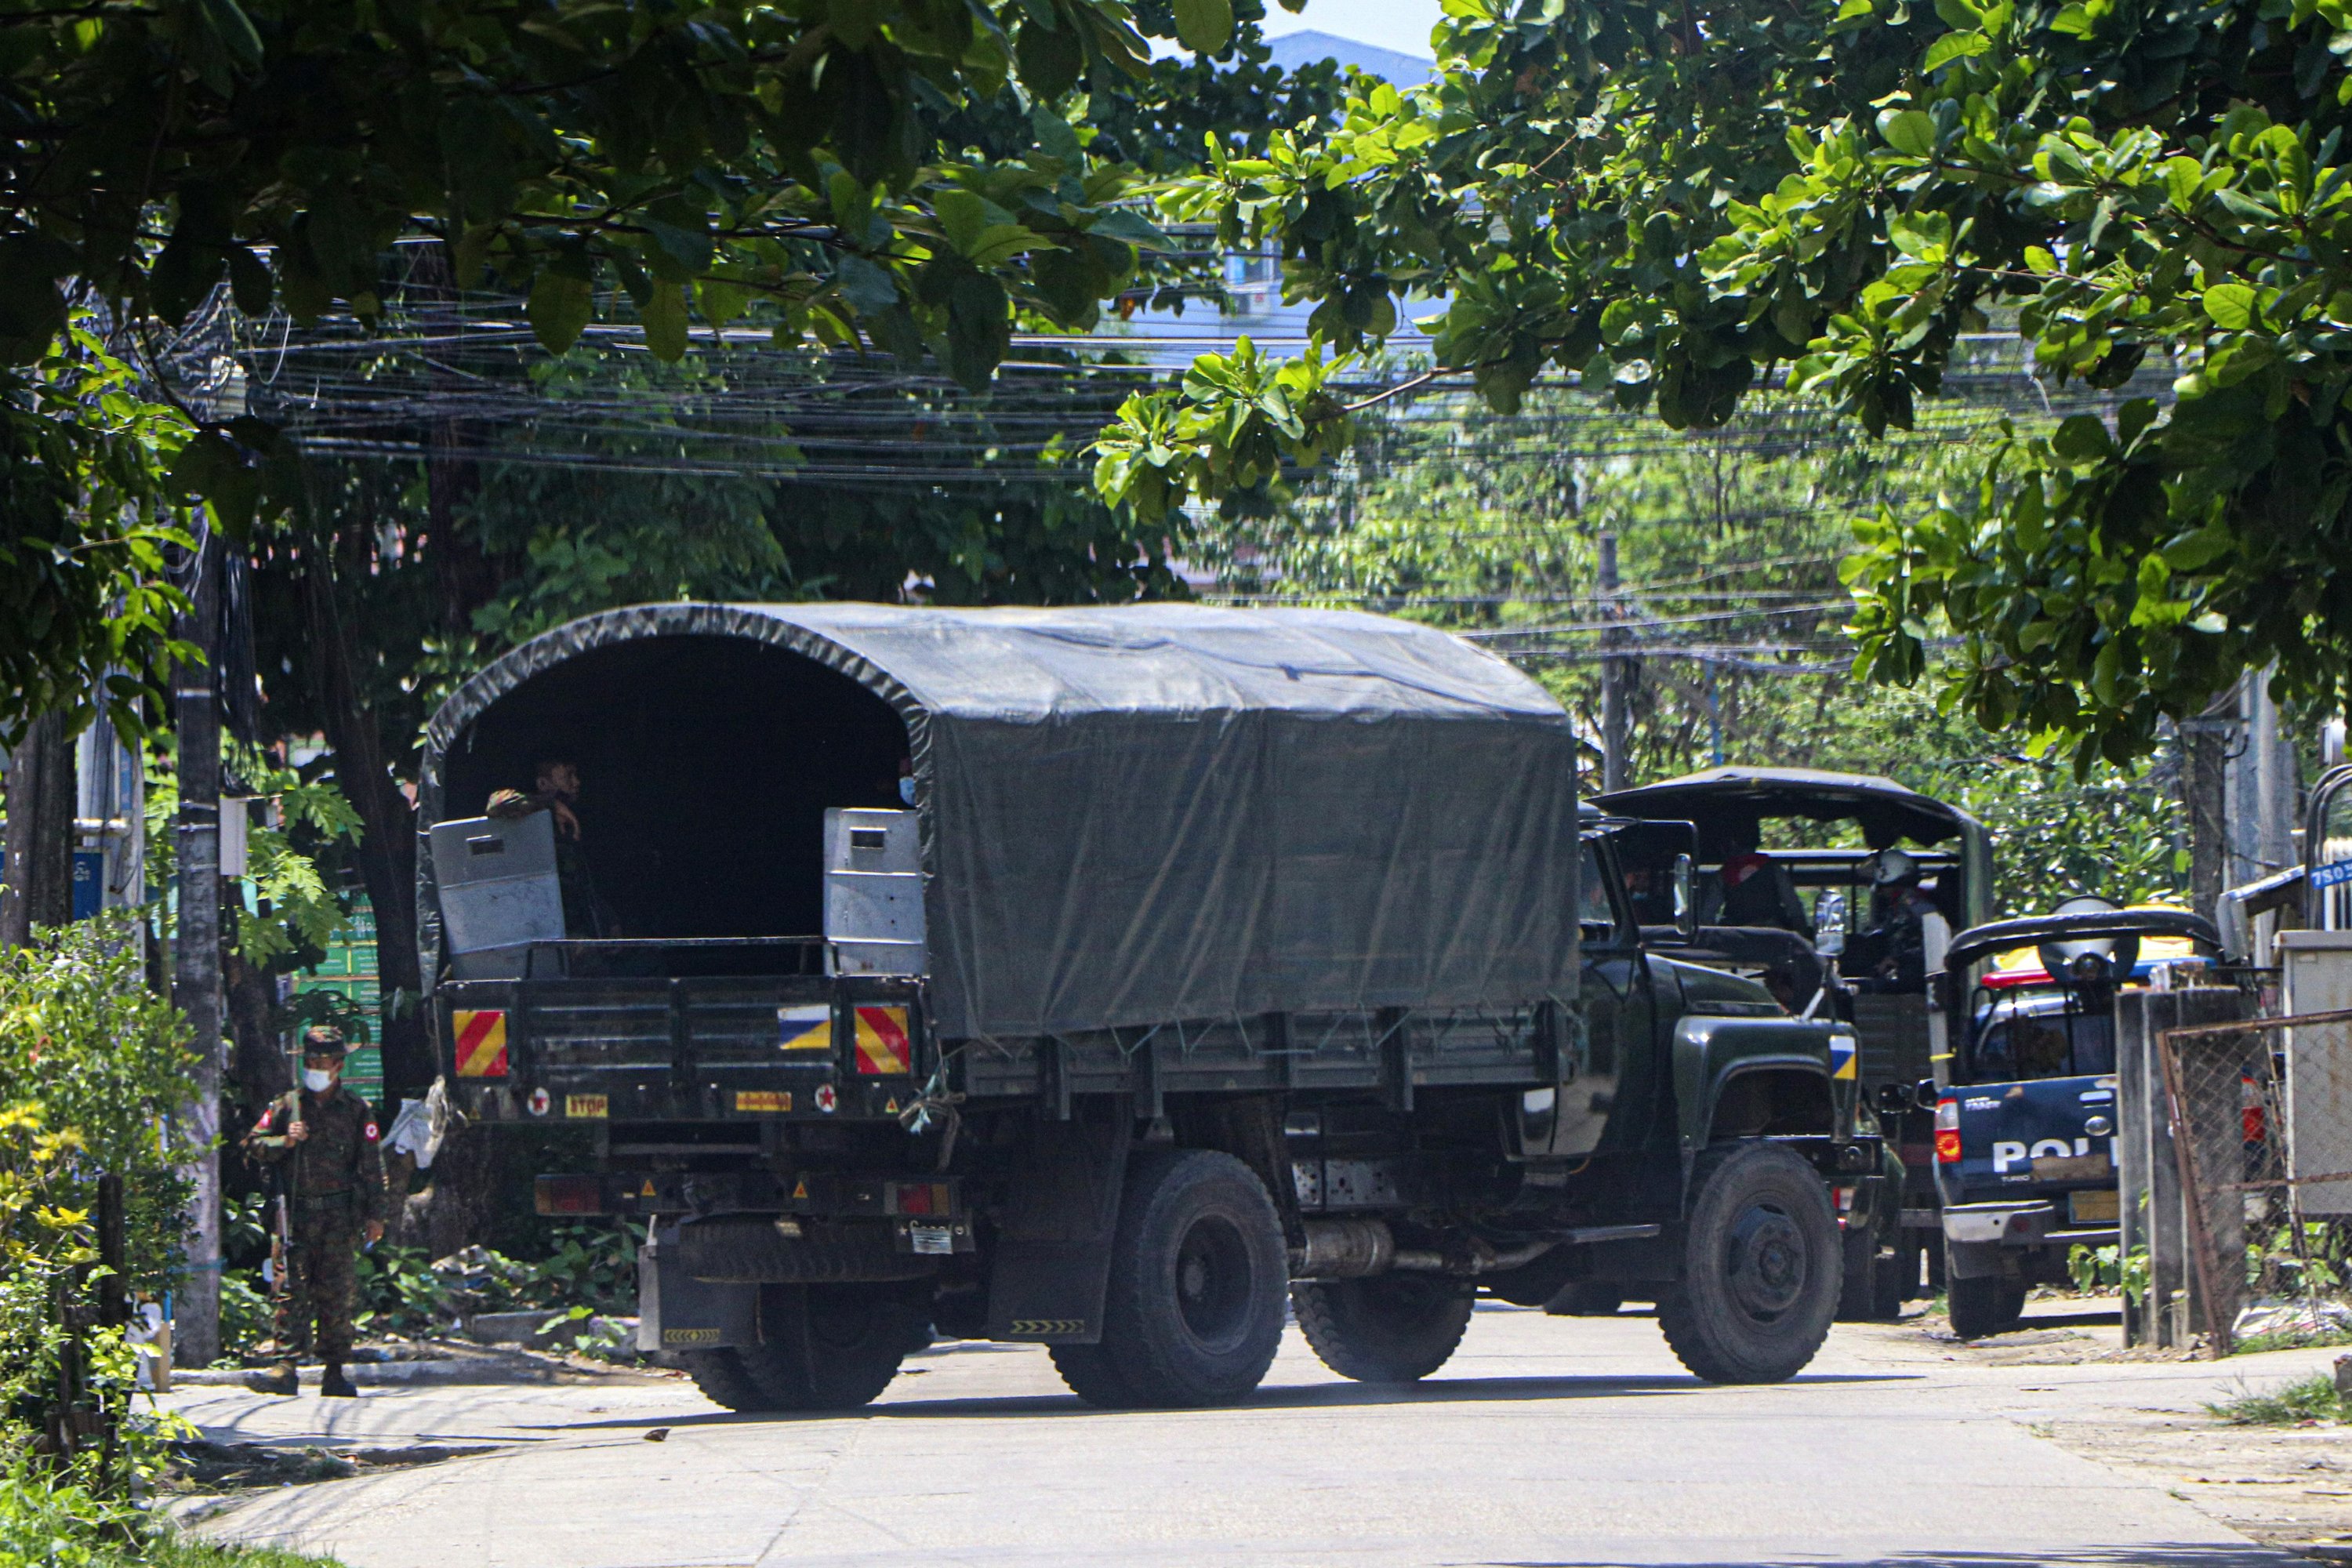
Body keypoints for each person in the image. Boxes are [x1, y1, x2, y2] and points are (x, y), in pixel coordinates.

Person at [243, 1026, 387, 1398]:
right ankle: (286, 1366)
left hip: (338, 1216)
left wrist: (376, 1216)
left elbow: (371, 1166)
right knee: (289, 1289)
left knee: (336, 1292)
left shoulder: (357, 1111)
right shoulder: (286, 1106)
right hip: (295, 1214)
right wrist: (284, 1141)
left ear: (338, 1065)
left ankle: (335, 1370)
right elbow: (252, 1144)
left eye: (321, 1062)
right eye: (309, 1062)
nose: (314, 1068)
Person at [488, 757, 615, 937]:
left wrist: (608, 918)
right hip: (540, 927)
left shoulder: (573, 821)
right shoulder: (530, 819)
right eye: (568, 776)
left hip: (574, 927)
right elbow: (497, 804)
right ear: (543, 783)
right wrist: (550, 805)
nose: (576, 782)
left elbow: (580, 882)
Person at [1712, 821, 1811, 935]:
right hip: (1773, 935)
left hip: (1736, 938)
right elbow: (1794, 908)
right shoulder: (1774, 870)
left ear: (1732, 843)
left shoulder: (1723, 875)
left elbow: (1707, 915)